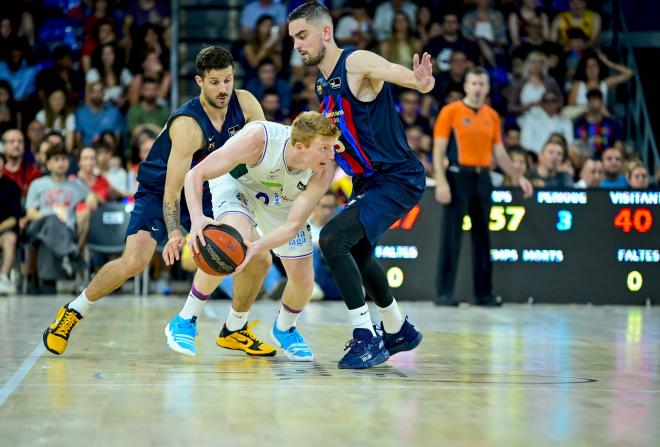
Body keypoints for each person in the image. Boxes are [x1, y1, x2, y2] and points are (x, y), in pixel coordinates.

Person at [42, 46, 271, 357]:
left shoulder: (245, 104)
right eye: (215, 82)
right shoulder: (187, 125)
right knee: (134, 261)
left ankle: (235, 328)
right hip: (160, 189)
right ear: (199, 82)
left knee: (257, 257)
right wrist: (175, 231)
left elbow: (264, 151)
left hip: (211, 186)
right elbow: (172, 190)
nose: (223, 89)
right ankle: (73, 311)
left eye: (228, 80)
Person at [288, 3, 429, 369]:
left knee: (334, 239)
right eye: (293, 39)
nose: (297, 45)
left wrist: (419, 81)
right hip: (367, 181)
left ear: (325, 32)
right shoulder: (322, 83)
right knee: (358, 252)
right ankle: (398, 329)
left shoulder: (354, 62)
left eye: (302, 36)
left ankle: (366, 337)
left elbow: (390, 70)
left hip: (396, 177)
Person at [177, 112, 339, 361]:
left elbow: (293, 225)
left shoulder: (323, 169)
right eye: (324, 148)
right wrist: (198, 218)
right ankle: (186, 319)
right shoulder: (258, 139)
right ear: (299, 146)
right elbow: (195, 174)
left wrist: (257, 247)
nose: (331, 155)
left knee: (304, 280)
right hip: (236, 184)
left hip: (279, 200)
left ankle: (283, 328)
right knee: (230, 244)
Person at [433, 67, 533, 307]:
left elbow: (499, 152)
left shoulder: (492, 116)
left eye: (482, 84)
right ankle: (444, 293)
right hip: (457, 176)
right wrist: (442, 181)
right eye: (474, 83)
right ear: (466, 86)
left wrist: (519, 177)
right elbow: (438, 149)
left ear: (488, 88)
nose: (478, 88)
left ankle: (483, 294)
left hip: (482, 178)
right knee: (452, 237)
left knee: (482, 238)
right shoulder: (451, 112)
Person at [0, 152, 21, 295]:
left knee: (10, 239)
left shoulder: (11, 186)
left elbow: (14, 218)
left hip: (4, 230)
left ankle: (3, 277)